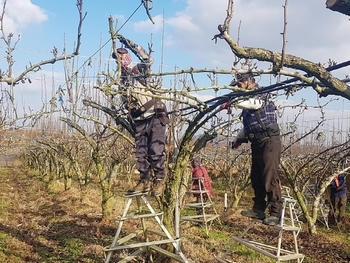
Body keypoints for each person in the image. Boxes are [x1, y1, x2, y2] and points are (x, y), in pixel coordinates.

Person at [113, 36, 169, 196]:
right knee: (141, 152)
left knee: (155, 149)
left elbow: (147, 60)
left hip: (154, 114)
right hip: (139, 119)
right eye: (117, 58)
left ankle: (159, 180)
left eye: (122, 56)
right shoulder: (121, 81)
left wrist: (130, 44)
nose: (120, 61)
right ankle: (144, 181)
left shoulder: (136, 71)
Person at [230, 73, 283, 226]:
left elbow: (255, 104)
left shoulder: (262, 94)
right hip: (256, 142)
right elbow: (250, 126)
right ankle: (258, 209)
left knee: (269, 176)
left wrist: (234, 102)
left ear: (248, 81)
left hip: (269, 141)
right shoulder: (246, 103)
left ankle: (275, 212)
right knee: (256, 177)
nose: (238, 86)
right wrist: (238, 139)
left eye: (239, 83)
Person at [328, 160, 348, 225]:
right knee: (332, 207)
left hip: (342, 193)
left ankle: (340, 220)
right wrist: (335, 187)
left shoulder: (342, 173)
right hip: (334, 194)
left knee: (342, 207)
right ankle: (331, 221)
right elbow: (330, 183)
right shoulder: (331, 175)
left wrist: (341, 187)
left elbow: (343, 181)